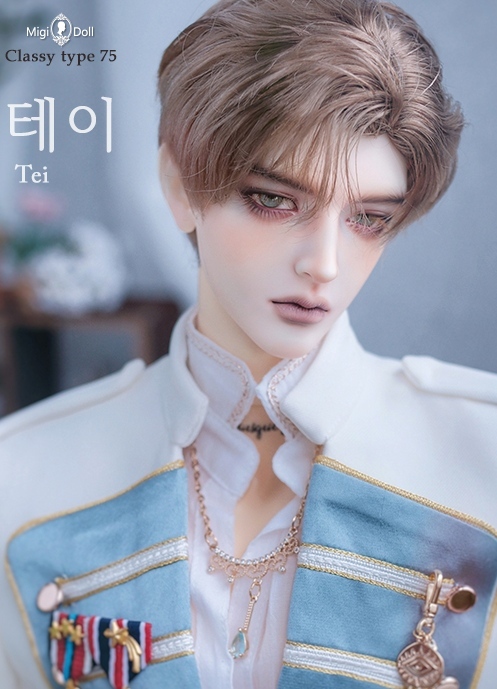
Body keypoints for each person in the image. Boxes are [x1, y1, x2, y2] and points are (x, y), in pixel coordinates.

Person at [1, 0, 496, 688]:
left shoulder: (483, 458)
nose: (323, 263)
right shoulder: (22, 475)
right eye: (275, 200)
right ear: (179, 186)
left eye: (368, 217)